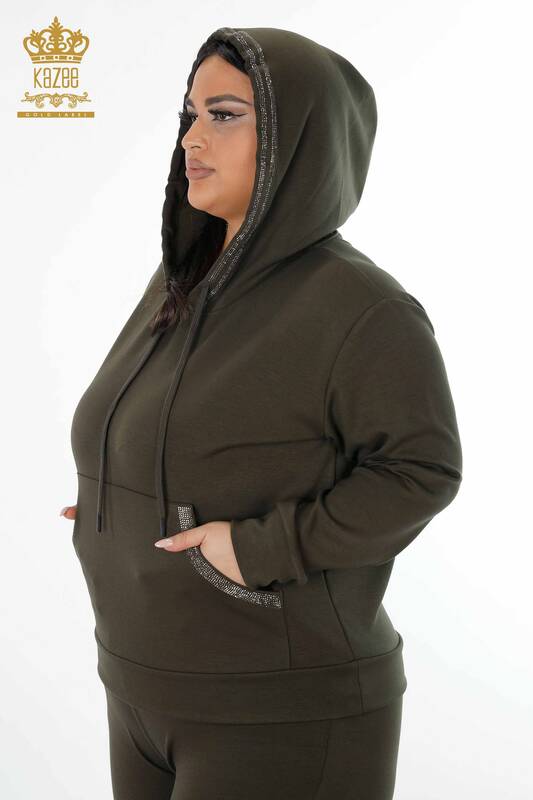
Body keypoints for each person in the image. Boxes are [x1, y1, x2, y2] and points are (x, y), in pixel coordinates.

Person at [63, 26, 463, 799]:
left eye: (223, 115)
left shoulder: (362, 307)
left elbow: (422, 471)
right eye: (189, 115)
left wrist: (260, 549)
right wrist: (119, 498)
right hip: (140, 688)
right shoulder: (183, 281)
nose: (191, 139)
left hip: (281, 711)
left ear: (297, 137)